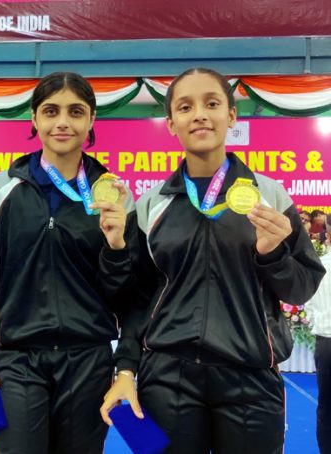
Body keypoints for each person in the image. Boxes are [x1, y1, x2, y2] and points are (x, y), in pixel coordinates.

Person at [101, 67, 326, 454]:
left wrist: (272, 256)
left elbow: (302, 287)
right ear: (171, 123)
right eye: (186, 107)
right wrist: (126, 369)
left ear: (232, 116)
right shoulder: (151, 205)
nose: (200, 114)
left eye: (212, 103)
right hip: (168, 380)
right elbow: (136, 301)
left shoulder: (270, 196)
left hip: (249, 379)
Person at [0, 72, 136, 454]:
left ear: (91, 121)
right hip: (17, 361)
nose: (63, 122)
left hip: (88, 361)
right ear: (34, 119)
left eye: (76, 111)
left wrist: (117, 246)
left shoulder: (113, 195)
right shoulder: (3, 189)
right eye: (50, 111)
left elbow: (125, 296)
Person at [307, 216, 331, 454]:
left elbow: (309, 308)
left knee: (326, 406)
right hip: (326, 341)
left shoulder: (319, 266)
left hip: (326, 345)